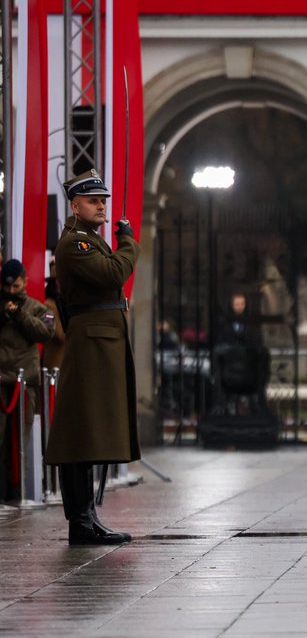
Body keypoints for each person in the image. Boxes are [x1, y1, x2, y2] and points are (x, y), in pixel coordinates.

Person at [44, 169, 140, 545]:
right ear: (75, 206)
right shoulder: (75, 244)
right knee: (79, 433)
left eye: (103, 201)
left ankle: (87, 518)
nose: (101, 206)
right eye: (93, 201)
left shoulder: (91, 239)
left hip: (100, 342)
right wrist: (128, 242)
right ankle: (81, 522)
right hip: (90, 344)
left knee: (86, 433)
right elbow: (113, 272)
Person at [0, 259, 57, 501]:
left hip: (25, 382)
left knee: (22, 439)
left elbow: (47, 332)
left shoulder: (38, 308)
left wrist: (19, 315)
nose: (11, 291)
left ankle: (19, 490)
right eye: (7, 287)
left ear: (24, 281)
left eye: (16, 286)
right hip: (2, 380)